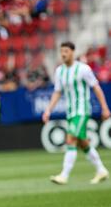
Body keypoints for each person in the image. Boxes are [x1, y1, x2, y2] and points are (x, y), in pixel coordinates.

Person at [43, 41, 110, 185]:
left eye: (66, 51)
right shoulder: (59, 71)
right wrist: (48, 110)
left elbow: (96, 88)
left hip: (82, 110)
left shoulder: (83, 69)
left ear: (73, 52)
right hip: (71, 112)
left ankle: (64, 175)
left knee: (71, 138)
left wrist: (104, 108)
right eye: (61, 51)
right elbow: (57, 92)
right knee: (83, 143)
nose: (63, 54)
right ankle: (101, 170)